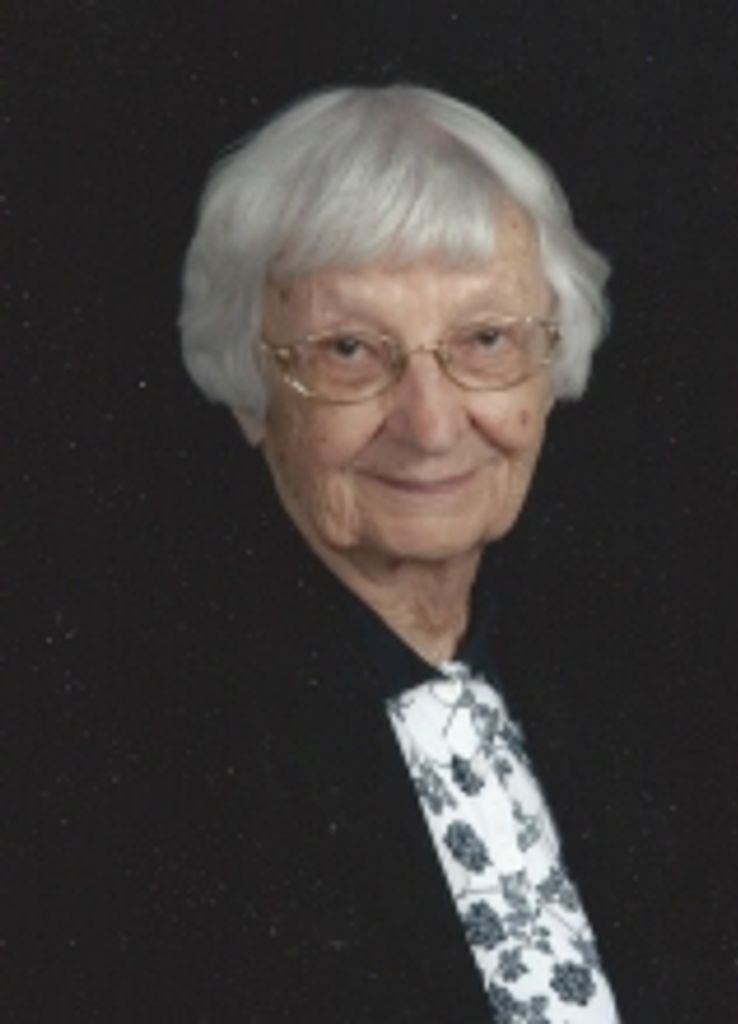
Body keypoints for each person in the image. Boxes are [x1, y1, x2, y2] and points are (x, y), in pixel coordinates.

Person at [175, 84, 619, 1023]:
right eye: (348, 350)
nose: (429, 426)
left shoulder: (638, 690)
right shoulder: (170, 766)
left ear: (551, 367)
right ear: (251, 390)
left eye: (485, 339)